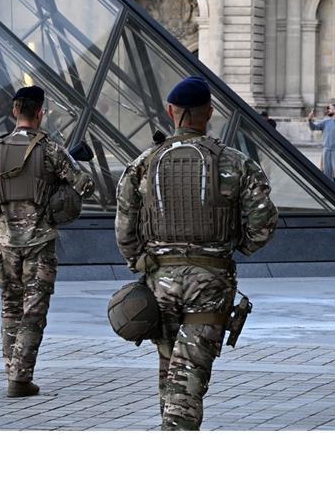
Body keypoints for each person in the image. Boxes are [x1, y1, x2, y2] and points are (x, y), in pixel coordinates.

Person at [115, 76, 278, 430]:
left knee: (170, 368)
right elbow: (263, 222)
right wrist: (237, 247)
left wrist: (140, 262)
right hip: (211, 282)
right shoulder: (235, 163)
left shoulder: (143, 164)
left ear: (171, 112)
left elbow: (125, 226)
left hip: (160, 282)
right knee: (189, 372)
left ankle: (171, 427)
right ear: (210, 113)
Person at [0, 86, 93, 398]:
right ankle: (20, 377)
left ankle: (13, 368)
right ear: (40, 113)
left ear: (14, 112)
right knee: (33, 312)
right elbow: (85, 186)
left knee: (10, 308)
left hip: (6, 243)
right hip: (39, 243)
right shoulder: (51, 151)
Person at [308, 103, 335, 177]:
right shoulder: (325, 122)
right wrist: (310, 120)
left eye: (330, 109)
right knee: (326, 173)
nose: (328, 110)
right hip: (326, 150)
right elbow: (314, 128)